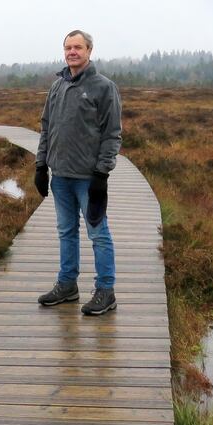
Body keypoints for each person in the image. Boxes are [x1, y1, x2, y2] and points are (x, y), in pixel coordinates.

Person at [34, 29, 122, 315]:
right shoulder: (57, 86)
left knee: (98, 234)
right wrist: (40, 165)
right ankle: (67, 285)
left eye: (78, 47)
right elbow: (47, 127)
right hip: (60, 177)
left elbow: (112, 134)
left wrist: (102, 174)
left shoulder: (103, 87)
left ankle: (105, 291)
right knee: (66, 232)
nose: (72, 52)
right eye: (68, 47)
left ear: (89, 51)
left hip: (88, 179)